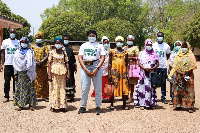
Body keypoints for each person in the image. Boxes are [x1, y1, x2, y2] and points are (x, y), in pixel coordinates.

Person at [78, 30, 105, 115]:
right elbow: (80, 57)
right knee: (84, 88)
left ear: (96, 36)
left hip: (96, 66)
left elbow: (102, 57)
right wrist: (85, 69)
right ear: (88, 36)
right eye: (90, 35)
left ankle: (98, 106)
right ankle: (83, 106)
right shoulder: (84, 45)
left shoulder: (99, 46)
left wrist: (97, 68)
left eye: (93, 35)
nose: (92, 37)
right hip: (86, 66)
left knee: (98, 88)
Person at [168, 41, 197, 113]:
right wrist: (181, 73)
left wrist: (186, 73)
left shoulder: (190, 55)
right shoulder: (178, 55)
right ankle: (178, 105)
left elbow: (193, 65)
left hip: (188, 75)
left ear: (187, 47)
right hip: (179, 75)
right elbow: (175, 66)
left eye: (185, 47)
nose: (184, 48)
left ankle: (190, 106)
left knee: (188, 90)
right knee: (179, 90)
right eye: (182, 47)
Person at [13, 37, 37, 111]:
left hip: (29, 73)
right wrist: (15, 74)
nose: (24, 44)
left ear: (28, 43)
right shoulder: (17, 52)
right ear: (20, 43)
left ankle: (31, 105)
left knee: (30, 89)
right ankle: (21, 105)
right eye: (22, 42)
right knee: (20, 89)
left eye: (25, 42)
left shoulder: (30, 52)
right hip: (20, 74)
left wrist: (32, 72)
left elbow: (33, 63)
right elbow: (14, 63)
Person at [134, 39, 159, 110]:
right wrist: (144, 68)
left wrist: (152, 68)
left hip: (152, 74)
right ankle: (142, 104)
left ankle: (150, 103)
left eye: (150, 45)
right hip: (143, 74)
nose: (149, 46)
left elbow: (157, 63)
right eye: (147, 45)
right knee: (142, 88)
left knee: (151, 88)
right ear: (145, 45)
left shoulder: (155, 53)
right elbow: (139, 63)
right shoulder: (142, 53)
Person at [108, 36, 130, 110]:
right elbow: (109, 63)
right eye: (118, 41)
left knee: (124, 87)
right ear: (116, 42)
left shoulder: (125, 52)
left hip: (123, 72)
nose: (119, 43)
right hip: (114, 72)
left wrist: (127, 73)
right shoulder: (112, 51)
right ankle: (111, 104)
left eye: (121, 41)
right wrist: (109, 73)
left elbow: (127, 63)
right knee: (113, 87)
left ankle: (124, 104)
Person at [48, 37, 70, 112]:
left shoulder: (64, 52)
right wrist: (49, 74)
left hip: (62, 71)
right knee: (54, 88)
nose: (58, 44)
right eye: (56, 43)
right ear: (54, 44)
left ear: (61, 44)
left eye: (59, 43)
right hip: (54, 72)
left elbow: (67, 62)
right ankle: (53, 105)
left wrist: (68, 73)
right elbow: (49, 63)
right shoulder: (52, 52)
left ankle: (62, 105)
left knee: (62, 88)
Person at [0, 29, 19, 103]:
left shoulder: (18, 42)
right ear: (9, 33)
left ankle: (15, 96)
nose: (12, 34)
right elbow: (2, 54)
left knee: (16, 80)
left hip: (16, 65)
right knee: (7, 81)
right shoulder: (5, 41)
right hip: (7, 64)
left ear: (15, 33)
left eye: (13, 32)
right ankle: (6, 96)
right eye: (11, 32)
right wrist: (1, 63)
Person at [152, 32, 171, 104]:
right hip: (155, 66)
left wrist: (163, 60)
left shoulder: (166, 46)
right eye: (159, 36)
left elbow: (168, 55)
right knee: (154, 82)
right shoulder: (153, 45)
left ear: (163, 37)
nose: (160, 37)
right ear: (157, 37)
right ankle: (154, 96)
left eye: (161, 36)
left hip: (163, 66)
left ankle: (163, 97)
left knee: (163, 82)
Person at [31, 32, 49, 102]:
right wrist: (35, 62)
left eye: (40, 38)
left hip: (43, 66)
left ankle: (45, 96)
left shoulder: (45, 47)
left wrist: (41, 62)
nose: (39, 39)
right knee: (35, 80)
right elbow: (30, 55)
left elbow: (47, 55)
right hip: (34, 66)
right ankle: (35, 95)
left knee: (44, 80)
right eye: (37, 38)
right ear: (35, 38)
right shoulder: (32, 47)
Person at [123, 35, 140, 103]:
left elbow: (138, 57)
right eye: (129, 40)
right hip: (124, 66)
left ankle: (131, 97)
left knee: (131, 82)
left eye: (131, 40)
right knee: (125, 81)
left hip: (132, 67)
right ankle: (125, 95)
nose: (130, 41)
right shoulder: (124, 48)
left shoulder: (135, 48)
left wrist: (130, 58)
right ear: (126, 40)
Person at [62, 33, 77, 101]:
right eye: (65, 39)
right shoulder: (61, 48)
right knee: (64, 80)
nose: (66, 41)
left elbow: (73, 58)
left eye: (67, 39)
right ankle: (64, 95)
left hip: (70, 67)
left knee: (70, 79)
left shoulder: (70, 48)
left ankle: (71, 95)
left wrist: (75, 65)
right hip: (62, 66)